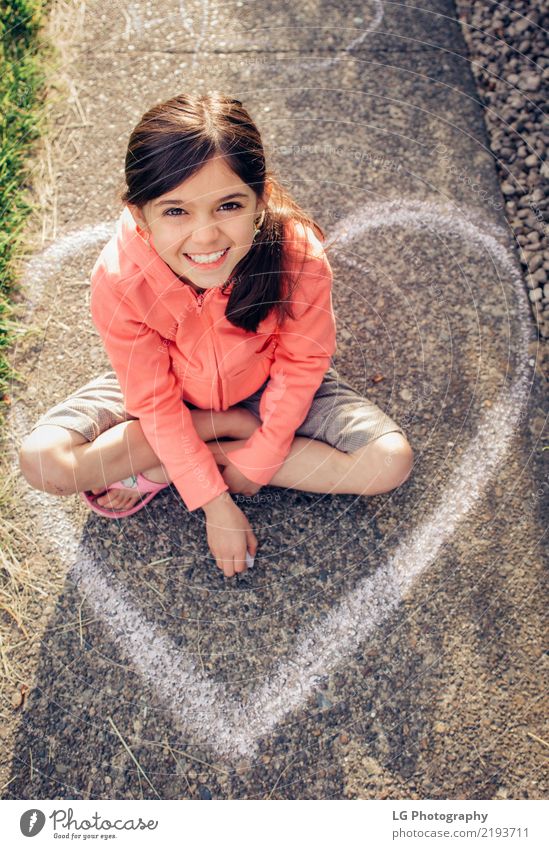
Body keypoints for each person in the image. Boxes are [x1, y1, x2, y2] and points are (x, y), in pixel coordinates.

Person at [19, 93, 413, 578]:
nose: (205, 237)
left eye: (228, 205)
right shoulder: (120, 278)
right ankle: (217, 429)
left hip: (269, 387)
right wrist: (214, 504)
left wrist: (261, 457)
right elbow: (156, 404)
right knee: (43, 462)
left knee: (389, 461)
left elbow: (302, 362)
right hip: (163, 397)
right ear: (139, 215)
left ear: (260, 199)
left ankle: (169, 468)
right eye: (176, 211)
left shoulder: (296, 253)